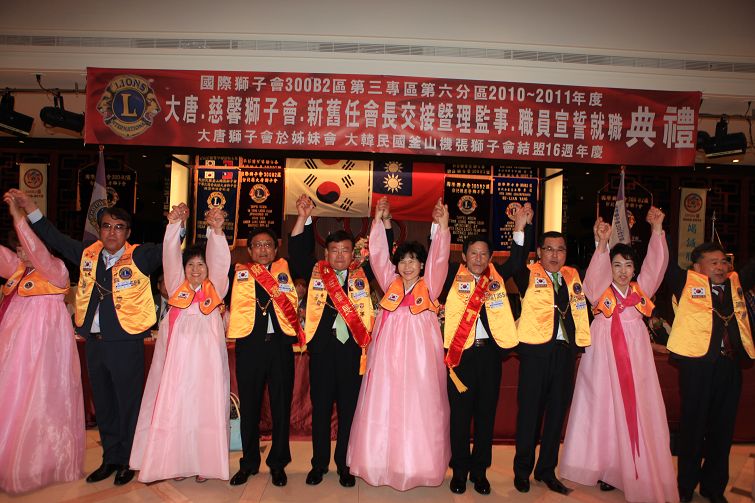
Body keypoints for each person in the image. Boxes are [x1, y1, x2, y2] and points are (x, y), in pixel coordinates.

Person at [8, 187, 164, 486]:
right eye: (106, 226)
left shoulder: (140, 255)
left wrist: (178, 226)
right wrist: (29, 208)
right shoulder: (87, 253)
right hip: (94, 342)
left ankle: (128, 460)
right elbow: (53, 237)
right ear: (100, 230)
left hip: (125, 342)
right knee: (103, 403)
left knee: (127, 403)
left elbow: (168, 249)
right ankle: (110, 458)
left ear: (128, 232)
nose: (112, 232)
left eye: (119, 227)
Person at [560, 207, 678, 502]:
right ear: (609, 268)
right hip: (603, 357)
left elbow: (656, 266)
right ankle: (604, 466)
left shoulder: (641, 290)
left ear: (634, 269)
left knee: (635, 408)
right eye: (617, 265)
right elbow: (590, 283)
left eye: (628, 265)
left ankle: (631, 467)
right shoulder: (601, 290)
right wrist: (602, 244)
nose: (623, 271)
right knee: (602, 407)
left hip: (635, 359)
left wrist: (657, 230)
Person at [347, 197, 451, 491]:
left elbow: (439, 259)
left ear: (422, 264)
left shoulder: (430, 285)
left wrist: (442, 226)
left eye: (413, 260)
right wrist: (379, 220)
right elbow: (378, 256)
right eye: (403, 260)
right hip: (387, 360)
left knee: (419, 406)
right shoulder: (389, 283)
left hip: (419, 361)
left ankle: (418, 464)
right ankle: (380, 461)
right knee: (384, 404)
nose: (407, 266)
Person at [129, 204, 231, 483]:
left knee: (205, 408)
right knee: (177, 407)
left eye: (201, 265)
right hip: (178, 366)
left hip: (207, 366)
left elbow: (221, 261)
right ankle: (175, 461)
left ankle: (205, 464)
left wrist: (216, 231)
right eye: (190, 265)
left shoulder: (216, 289)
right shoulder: (176, 288)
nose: (195, 270)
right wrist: (174, 226)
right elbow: (170, 256)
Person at [442, 203, 533, 495]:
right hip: (460, 357)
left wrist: (519, 227)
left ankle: (479, 473)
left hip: (491, 357)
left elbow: (517, 261)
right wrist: (440, 227)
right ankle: (459, 472)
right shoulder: (449, 276)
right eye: (473, 254)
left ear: (490, 257)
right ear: (464, 256)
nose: (479, 259)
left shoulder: (496, 277)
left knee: (485, 417)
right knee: (459, 418)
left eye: (484, 254)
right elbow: (434, 259)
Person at [289, 194, 379, 488]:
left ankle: (345, 465)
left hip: (352, 354)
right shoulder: (317, 272)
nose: (340, 255)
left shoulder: (362, 273)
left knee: (349, 412)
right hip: (323, 352)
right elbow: (296, 251)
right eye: (334, 250)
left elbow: (383, 254)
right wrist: (304, 217)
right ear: (326, 253)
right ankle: (318, 464)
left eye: (345, 250)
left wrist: (383, 222)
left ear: (354, 253)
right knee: (321, 410)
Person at [0, 191, 85, 494]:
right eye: (18, 250)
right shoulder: (18, 272)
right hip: (13, 353)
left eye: (25, 248)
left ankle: (38, 463)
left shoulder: (55, 270)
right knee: (11, 399)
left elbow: (36, 251)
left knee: (41, 402)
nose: (22, 254)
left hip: (43, 352)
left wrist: (18, 215)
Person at [666, 241, 754, 503]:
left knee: (722, 430)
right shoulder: (686, 284)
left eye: (724, 262)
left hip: (730, 368)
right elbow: (667, 265)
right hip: (697, 368)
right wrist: (658, 231)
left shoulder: (735, 284)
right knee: (693, 429)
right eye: (713, 262)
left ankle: (713, 488)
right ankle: (685, 487)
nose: (721, 267)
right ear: (697, 267)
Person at [512, 230, 591, 494]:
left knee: (557, 415)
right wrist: (520, 229)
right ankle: (522, 471)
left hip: (564, 354)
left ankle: (546, 470)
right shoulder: (528, 274)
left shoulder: (572, 277)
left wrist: (600, 243)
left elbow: (593, 285)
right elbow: (515, 261)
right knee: (529, 415)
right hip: (535, 355)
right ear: (539, 252)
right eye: (549, 249)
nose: (555, 255)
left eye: (560, 249)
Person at [227, 226, 304, 488]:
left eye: (268, 244)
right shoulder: (238, 273)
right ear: (249, 251)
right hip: (250, 348)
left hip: (280, 347)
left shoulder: (286, 270)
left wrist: (302, 221)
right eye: (258, 245)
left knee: (281, 406)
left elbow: (302, 252)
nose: (263, 249)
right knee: (249, 408)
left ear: (275, 249)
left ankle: (278, 464)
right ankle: (248, 463)